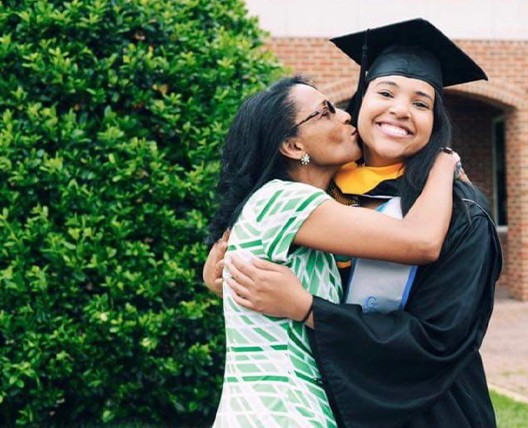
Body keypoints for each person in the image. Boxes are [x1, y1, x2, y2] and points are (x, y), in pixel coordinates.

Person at [205, 19, 503, 427]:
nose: (399, 110)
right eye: (384, 92)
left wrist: (310, 311)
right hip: (320, 404)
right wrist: (224, 272)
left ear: (436, 121)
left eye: (421, 103)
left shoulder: (462, 213)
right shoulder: (321, 192)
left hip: (425, 411)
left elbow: (438, 342)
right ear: (361, 102)